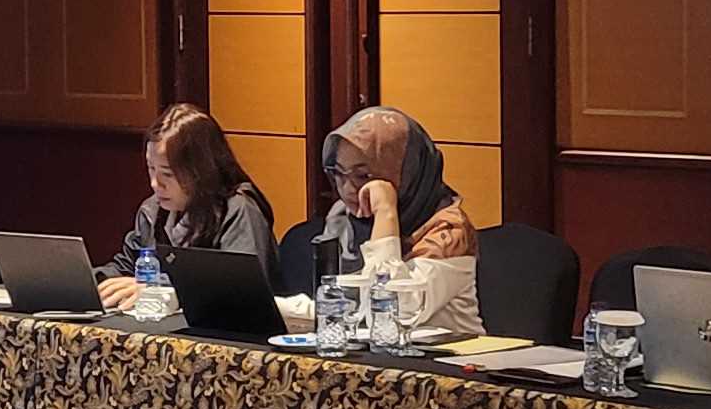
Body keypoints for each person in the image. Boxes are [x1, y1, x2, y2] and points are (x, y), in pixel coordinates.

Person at [313, 102, 483, 338]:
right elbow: (345, 307)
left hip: (454, 357)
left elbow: (393, 312)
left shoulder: (448, 228)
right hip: (374, 355)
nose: (348, 188)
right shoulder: (343, 218)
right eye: (339, 173)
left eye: (363, 176)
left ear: (406, 172)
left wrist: (386, 212)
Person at [103, 104, 276, 308]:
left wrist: (158, 288)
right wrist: (91, 281)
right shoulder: (152, 211)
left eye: (167, 173)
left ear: (201, 171)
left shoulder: (238, 210)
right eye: (151, 168)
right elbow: (127, 266)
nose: (155, 183)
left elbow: (243, 290)